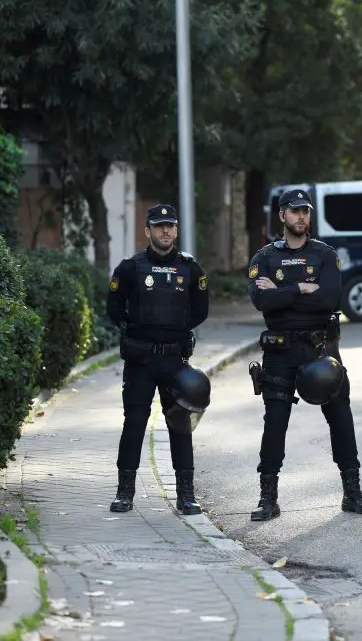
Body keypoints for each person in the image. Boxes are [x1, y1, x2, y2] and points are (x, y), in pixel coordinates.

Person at [246, 188, 362, 521]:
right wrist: (301, 288)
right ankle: (267, 498)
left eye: (305, 211)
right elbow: (262, 303)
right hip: (279, 351)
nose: (301, 216)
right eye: (294, 211)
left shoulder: (324, 255)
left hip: (321, 349)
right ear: (282, 216)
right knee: (274, 424)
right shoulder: (264, 258)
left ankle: (353, 492)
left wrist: (282, 293)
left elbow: (329, 299)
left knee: (340, 417)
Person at [106, 203, 210, 516]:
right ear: (148, 230)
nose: (165, 231)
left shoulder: (190, 268)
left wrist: (176, 329)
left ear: (176, 230)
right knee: (135, 424)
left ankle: (186, 495)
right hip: (140, 362)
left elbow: (200, 310)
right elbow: (114, 307)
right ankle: (125, 493)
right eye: (159, 226)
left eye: (170, 226)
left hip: (174, 361)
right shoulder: (130, 267)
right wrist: (135, 329)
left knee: (181, 426)